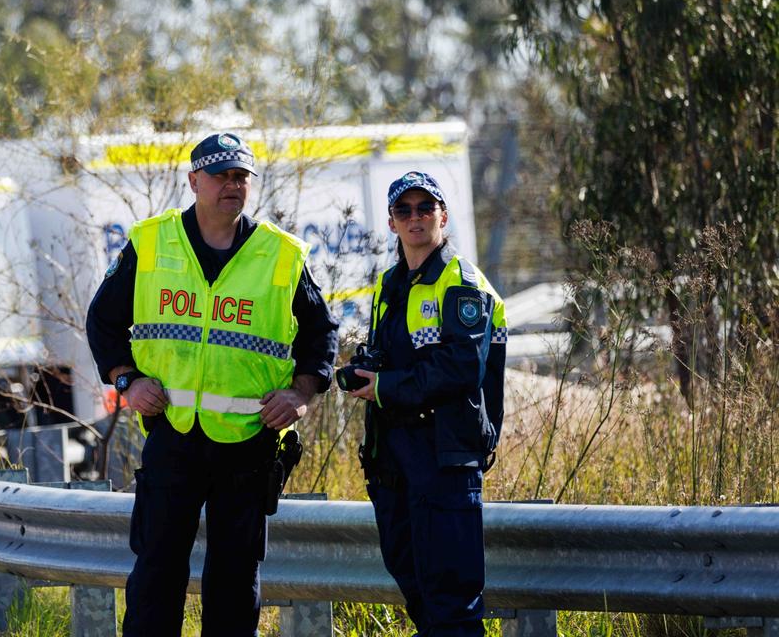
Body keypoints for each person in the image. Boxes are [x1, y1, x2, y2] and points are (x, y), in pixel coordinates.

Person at [86, 132, 338, 636]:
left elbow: (321, 335)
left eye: (241, 176)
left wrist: (301, 394)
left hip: (248, 444)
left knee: (233, 580)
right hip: (173, 435)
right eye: (221, 175)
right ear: (193, 181)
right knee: (157, 574)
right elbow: (103, 322)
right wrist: (126, 380)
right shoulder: (152, 242)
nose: (232, 185)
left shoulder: (281, 255)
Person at [345, 171, 506, 636]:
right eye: (404, 210)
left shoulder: (461, 282)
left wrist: (383, 387)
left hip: (445, 460)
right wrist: (364, 373)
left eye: (425, 208)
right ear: (392, 223)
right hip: (394, 464)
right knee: (417, 593)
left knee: (452, 604)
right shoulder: (389, 285)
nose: (415, 218)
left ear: (443, 216)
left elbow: (460, 369)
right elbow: (393, 358)